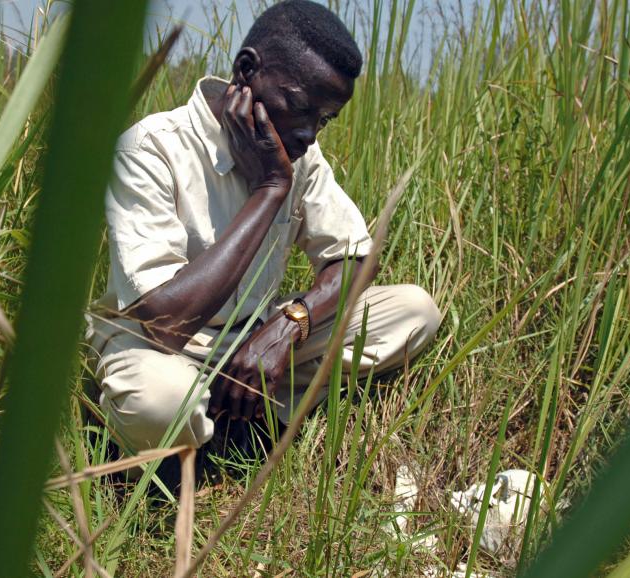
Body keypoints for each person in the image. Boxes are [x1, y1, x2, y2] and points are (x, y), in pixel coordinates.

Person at [87, 0, 440, 455]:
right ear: (246, 69)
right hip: (160, 350)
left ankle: (243, 415)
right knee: (161, 400)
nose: (309, 135)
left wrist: (289, 325)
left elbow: (355, 257)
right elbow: (165, 324)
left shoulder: (300, 153)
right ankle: (174, 435)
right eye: (299, 106)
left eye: (325, 119)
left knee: (413, 312)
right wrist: (270, 189)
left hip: (255, 342)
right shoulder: (148, 150)